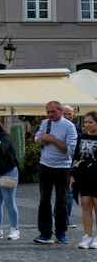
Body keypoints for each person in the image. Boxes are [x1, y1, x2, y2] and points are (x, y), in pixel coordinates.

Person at [33, 99, 77, 245]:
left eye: (53, 111)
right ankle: (45, 232)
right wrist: (41, 140)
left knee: (62, 200)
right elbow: (37, 138)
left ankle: (61, 232)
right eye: (48, 112)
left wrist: (52, 140)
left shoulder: (69, 127)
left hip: (62, 167)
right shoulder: (45, 123)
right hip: (45, 165)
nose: (50, 114)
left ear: (60, 111)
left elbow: (69, 150)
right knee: (44, 199)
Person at [71, 111, 97, 249]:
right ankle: (87, 235)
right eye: (85, 122)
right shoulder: (81, 138)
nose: (87, 125)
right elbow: (77, 157)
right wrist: (72, 175)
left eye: (90, 122)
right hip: (84, 175)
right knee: (86, 204)